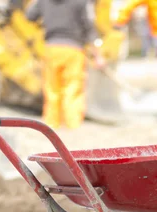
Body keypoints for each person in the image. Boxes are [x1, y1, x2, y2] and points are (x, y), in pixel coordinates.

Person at [26, 0, 106, 130]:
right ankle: (72, 125)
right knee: (72, 89)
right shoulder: (81, 2)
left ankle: (51, 126)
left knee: (52, 89)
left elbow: (30, 16)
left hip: (51, 49)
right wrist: (98, 56)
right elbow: (90, 28)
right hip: (73, 50)